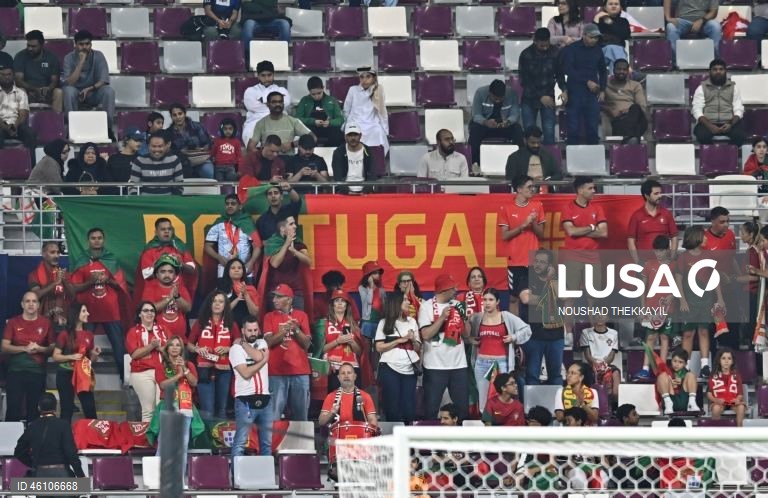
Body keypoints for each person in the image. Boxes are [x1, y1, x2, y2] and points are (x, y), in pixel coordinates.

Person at [69, 228, 130, 383]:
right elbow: (74, 288)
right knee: (84, 349)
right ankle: (83, 381)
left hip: (111, 312)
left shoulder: (111, 259)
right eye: (93, 238)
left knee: (120, 349)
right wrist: (92, 281)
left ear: (104, 240)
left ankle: (127, 381)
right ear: (88, 240)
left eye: (99, 238)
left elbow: (121, 285)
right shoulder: (82, 260)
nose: (96, 240)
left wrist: (107, 280)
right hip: (88, 313)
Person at [147, 335, 203, 483]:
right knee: (164, 444)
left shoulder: (189, 365)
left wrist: (184, 369)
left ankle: (178, 480)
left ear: (181, 349)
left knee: (182, 446)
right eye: (171, 345)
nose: (175, 348)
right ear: (167, 348)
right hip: (168, 407)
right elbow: (163, 385)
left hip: (185, 408)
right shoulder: (161, 366)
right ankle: (155, 480)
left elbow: (194, 382)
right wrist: (177, 375)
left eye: (178, 345)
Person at [468, 288, 532, 412]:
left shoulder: (506, 316)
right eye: (485, 300)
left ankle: (502, 425)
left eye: (491, 300)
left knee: (503, 397)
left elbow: (527, 330)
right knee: (483, 399)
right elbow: (465, 334)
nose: (487, 303)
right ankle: (485, 424)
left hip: (501, 363)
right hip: (481, 364)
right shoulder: (477, 318)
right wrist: (470, 339)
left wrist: (513, 337)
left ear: (497, 301)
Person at [418, 274, 471, 421]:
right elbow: (426, 335)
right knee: (431, 409)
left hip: (458, 365)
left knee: (462, 410)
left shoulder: (458, 304)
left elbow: (466, 335)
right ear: (443, 290)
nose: (456, 290)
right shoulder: (426, 307)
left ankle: (461, 442)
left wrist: (464, 318)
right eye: (452, 288)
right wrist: (442, 318)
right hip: (435, 366)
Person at [676, 226, 724, 378]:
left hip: (706, 299)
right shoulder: (683, 257)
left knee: (704, 331)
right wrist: (682, 300)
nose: (706, 239)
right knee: (688, 333)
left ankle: (705, 366)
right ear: (695, 238)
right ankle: (686, 367)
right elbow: (678, 281)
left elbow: (714, 278)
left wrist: (720, 298)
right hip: (689, 300)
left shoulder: (708, 256)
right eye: (703, 237)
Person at [187, 290, 241, 419]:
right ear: (209, 304)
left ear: (225, 305)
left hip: (224, 369)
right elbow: (189, 344)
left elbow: (239, 343)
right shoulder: (201, 322)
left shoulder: (231, 323)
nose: (217, 304)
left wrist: (229, 348)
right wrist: (198, 349)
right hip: (204, 368)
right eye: (214, 301)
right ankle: (207, 438)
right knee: (208, 409)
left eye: (221, 301)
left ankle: (220, 438)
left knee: (222, 408)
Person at [561, 176, 608, 324]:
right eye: (590, 188)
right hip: (572, 258)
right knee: (570, 298)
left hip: (593, 259)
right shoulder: (567, 208)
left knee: (594, 298)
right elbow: (571, 232)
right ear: (580, 190)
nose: (594, 191)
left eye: (594, 188)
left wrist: (580, 230)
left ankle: (595, 332)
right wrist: (591, 227)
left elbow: (604, 233)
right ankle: (567, 333)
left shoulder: (597, 208)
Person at [1, 291, 54, 422]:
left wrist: (39, 348)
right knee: (13, 409)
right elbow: (4, 346)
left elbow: (53, 347)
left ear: (38, 305)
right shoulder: (13, 322)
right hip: (15, 371)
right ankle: (11, 442)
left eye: (34, 301)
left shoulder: (46, 323)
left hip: (37, 372)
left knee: (34, 411)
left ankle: (33, 441)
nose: (31, 304)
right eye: (27, 301)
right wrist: (24, 348)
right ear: (22, 304)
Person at [498, 175, 546, 317]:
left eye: (533, 187)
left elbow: (542, 234)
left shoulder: (537, 207)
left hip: (533, 261)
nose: (533, 189)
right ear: (519, 189)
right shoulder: (506, 209)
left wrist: (533, 223)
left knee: (535, 296)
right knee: (514, 298)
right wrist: (523, 225)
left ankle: (536, 329)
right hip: (515, 261)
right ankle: (516, 333)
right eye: (529, 187)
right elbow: (505, 236)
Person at [263, 284, 312, 421]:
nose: (274, 300)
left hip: (300, 371)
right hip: (276, 372)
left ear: (289, 300)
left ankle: (302, 443)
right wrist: (283, 331)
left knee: (301, 415)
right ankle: (274, 443)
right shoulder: (269, 317)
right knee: (274, 415)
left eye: (279, 297)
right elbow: (268, 342)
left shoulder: (301, 316)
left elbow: (306, 344)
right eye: (274, 297)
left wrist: (296, 330)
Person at [14, 393, 85, 481]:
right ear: (55, 408)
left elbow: (18, 451)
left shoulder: (32, 426)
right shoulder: (64, 425)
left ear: (39, 408)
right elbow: (71, 453)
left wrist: (33, 463)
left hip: (40, 474)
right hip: (62, 474)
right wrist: (80, 475)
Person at [557, 24, 607, 145]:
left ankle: (594, 160)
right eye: (592, 37)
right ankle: (572, 160)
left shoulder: (598, 50)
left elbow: (603, 70)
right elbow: (568, 70)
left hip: (592, 93)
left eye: (596, 38)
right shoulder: (572, 49)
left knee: (593, 129)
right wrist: (586, 81)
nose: (594, 40)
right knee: (573, 129)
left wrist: (603, 90)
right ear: (584, 35)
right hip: (575, 92)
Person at [375, 291, 421, 425]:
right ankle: (392, 439)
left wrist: (412, 340)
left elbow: (418, 348)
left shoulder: (412, 321)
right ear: (396, 304)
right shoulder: (384, 322)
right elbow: (379, 347)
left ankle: (409, 441)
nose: (408, 302)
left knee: (409, 408)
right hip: (389, 368)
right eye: (405, 300)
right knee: (392, 407)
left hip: (409, 368)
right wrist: (399, 341)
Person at [230, 315, 273, 457]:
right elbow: (246, 373)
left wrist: (244, 344)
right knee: (241, 441)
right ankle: (237, 477)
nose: (253, 333)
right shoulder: (235, 349)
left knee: (266, 443)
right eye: (249, 330)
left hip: (265, 399)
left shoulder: (261, 342)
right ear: (243, 331)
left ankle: (266, 478)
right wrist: (264, 361)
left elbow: (258, 357)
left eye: (255, 330)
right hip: (245, 400)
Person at [519, 249, 563, 386]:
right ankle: (532, 407)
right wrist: (550, 298)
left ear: (550, 265)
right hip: (533, 335)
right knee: (532, 375)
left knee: (555, 376)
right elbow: (526, 299)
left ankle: (556, 406)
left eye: (542, 262)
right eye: (536, 261)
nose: (537, 265)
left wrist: (550, 280)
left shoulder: (559, 279)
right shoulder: (526, 278)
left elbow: (565, 297)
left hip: (556, 335)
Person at [634, 235, 675, 380]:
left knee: (664, 337)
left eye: (662, 250)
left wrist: (671, 296)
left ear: (667, 250)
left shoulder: (673, 266)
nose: (659, 253)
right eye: (657, 250)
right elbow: (642, 288)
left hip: (667, 308)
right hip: (651, 307)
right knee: (650, 337)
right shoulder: (649, 265)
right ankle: (645, 369)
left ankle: (662, 368)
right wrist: (643, 307)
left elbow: (678, 286)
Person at [62, 30, 115, 141]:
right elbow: (69, 83)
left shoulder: (99, 55)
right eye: (81, 44)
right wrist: (81, 63)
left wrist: (90, 88)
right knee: (68, 91)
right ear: (75, 45)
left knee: (108, 91)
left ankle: (108, 128)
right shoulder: (68, 58)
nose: (85, 47)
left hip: (93, 93)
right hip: (76, 94)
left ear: (91, 44)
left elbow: (104, 80)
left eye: (87, 44)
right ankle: (72, 128)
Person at [52, 303, 99, 421]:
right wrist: (72, 356)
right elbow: (56, 356)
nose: (87, 314)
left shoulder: (89, 335)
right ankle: (64, 438)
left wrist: (94, 355)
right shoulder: (65, 334)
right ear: (76, 314)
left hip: (83, 374)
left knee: (90, 409)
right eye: (84, 311)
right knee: (66, 409)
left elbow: (90, 361)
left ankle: (92, 438)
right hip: (65, 374)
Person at [134, 217, 198, 303]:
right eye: (163, 229)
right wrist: (162, 262)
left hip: (178, 295)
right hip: (155, 295)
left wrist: (181, 264)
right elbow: (146, 274)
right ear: (156, 232)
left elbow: (192, 270)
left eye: (169, 229)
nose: (166, 231)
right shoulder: (149, 250)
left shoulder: (180, 247)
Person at [125, 301, 168, 422]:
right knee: (149, 410)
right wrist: (151, 346)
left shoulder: (163, 330)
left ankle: (161, 439)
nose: (149, 313)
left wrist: (161, 349)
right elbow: (134, 354)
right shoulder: (133, 332)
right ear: (139, 314)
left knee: (163, 407)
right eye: (146, 310)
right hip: (142, 372)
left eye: (152, 310)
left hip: (163, 371)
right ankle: (147, 440)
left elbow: (173, 351)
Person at [518, 28, 559, 145]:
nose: (545, 48)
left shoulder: (556, 52)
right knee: (529, 133)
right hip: (530, 98)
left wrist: (564, 90)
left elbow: (560, 74)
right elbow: (524, 81)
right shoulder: (526, 54)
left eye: (547, 45)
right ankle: (529, 161)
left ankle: (548, 161)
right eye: (542, 46)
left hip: (549, 97)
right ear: (535, 41)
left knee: (549, 132)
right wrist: (541, 96)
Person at [469, 79, 523, 168]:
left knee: (517, 129)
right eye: (495, 98)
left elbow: (515, 114)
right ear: (489, 93)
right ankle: (476, 165)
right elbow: (476, 115)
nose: (498, 101)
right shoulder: (480, 92)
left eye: (500, 98)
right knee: (474, 130)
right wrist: (485, 122)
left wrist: (508, 122)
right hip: (485, 125)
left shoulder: (512, 93)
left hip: (504, 125)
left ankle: (520, 164)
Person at [205, 193, 262, 278]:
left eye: (233, 204)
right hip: (224, 268)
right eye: (227, 204)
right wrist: (218, 257)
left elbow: (257, 246)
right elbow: (207, 246)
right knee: (224, 291)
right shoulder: (219, 222)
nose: (230, 206)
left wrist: (251, 262)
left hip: (244, 267)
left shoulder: (247, 223)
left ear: (240, 206)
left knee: (246, 291)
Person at [692, 59, 746, 146]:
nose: (718, 72)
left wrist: (730, 124)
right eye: (715, 69)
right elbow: (696, 110)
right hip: (708, 123)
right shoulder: (701, 88)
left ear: (725, 71)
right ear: (710, 71)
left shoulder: (734, 88)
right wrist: (710, 126)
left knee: (740, 136)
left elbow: (739, 109)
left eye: (721, 69)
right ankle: (713, 155)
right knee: (702, 136)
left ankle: (728, 155)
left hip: (728, 122)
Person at [263, 215, 311, 310]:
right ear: (282, 228)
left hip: (295, 292)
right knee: (277, 322)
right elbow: (274, 263)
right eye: (291, 224)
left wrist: (294, 251)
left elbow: (308, 262)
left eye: (294, 223)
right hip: (276, 292)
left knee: (296, 322)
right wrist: (286, 245)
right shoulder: (272, 243)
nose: (295, 226)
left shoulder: (298, 243)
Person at [320, 290, 363, 392]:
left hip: (352, 367)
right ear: (332, 305)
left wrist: (351, 341)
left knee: (353, 401)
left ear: (346, 305)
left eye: (343, 301)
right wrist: (337, 341)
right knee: (335, 402)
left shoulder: (354, 325)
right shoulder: (324, 323)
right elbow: (320, 350)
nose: (340, 303)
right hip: (333, 368)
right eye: (337, 301)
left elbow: (359, 352)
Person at [627, 179, 678, 265]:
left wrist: (672, 258)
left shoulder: (666, 214)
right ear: (646, 196)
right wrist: (638, 262)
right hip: (644, 263)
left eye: (660, 193)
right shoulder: (636, 216)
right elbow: (631, 241)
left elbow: (674, 237)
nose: (660, 196)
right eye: (656, 194)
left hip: (664, 263)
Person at [141, 255, 192, 338]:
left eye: (170, 272)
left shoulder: (181, 288)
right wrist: (169, 298)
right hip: (157, 338)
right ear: (157, 274)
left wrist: (177, 297)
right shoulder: (150, 288)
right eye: (163, 271)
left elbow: (188, 309)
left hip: (179, 339)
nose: (167, 274)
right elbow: (149, 309)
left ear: (175, 275)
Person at [247, 91, 313, 156]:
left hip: (288, 161)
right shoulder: (261, 123)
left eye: (280, 102)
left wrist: (292, 144)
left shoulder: (293, 121)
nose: (278, 104)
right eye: (274, 102)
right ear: (268, 104)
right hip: (269, 162)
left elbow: (313, 138)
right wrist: (263, 155)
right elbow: (250, 147)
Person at [13, 30, 63, 112]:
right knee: (20, 91)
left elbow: (55, 81)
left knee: (58, 92)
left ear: (42, 45)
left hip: (47, 93)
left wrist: (47, 89)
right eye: (28, 45)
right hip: (28, 92)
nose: (30, 48)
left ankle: (55, 122)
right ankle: (22, 123)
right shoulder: (20, 56)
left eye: (33, 46)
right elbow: (18, 80)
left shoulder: (52, 57)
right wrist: (35, 90)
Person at [343, 67, 389, 154]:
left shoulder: (378, 90)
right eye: (362, 77)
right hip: (355, 123)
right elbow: (346, 109)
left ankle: (376, 160)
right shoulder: (353, 90)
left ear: (373, 78)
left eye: (368, 77)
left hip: (372, 124)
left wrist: (385, 130)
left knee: (378, 131)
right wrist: (346, 125)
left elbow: (382, 112)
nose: (364, 80)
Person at [242, 60, 291, 142]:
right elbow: (252, 106)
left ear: (273, 75)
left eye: (269, 75)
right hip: (256, 122)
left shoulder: (282, 90)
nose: (267, 78)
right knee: (249, 134)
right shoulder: (250, 91)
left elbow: (286, 103)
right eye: (263, 75)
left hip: (279, 120)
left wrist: (263, 104)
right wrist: (275, 106)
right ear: (258, 76)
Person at [603, 59, 648, 144]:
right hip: (619, 121)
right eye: (618, 69)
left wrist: (628, 111)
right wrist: (609, 110)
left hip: (637, 119)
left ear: (628, 71)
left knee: (635, 108)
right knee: (633, 136)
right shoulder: (605, 85)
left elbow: (642, 107)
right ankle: (632, 138)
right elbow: (596, 104)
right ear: (613, 70)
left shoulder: (635, 85)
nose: (621, 72)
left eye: (624, 70)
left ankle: (629, 136)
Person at [579, 314, 620, 408]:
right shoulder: (586, 332)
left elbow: (612, 354)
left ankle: (613, 406)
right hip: (590, 364)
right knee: (585, 373)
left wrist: (604, 365)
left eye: (603, 314)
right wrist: (594, 363)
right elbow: (587, 354)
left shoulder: (613, 333)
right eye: (597, 314)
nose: (600, 317)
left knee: (615, 373)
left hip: (607, 363)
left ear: (608, 317)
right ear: (593, 317)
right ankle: (587, 405)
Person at [28, 241, 72, 326]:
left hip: (62, 319)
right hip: (42, 319)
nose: (56, 256)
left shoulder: (63, 273)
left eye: (58, 253)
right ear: (43, 254)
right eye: (52, 252)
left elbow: (73, 295)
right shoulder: (34, 275)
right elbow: (35, 295)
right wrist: (55, 283)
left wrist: (64, 281)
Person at [295, 76, 344, 147]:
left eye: (319, 93)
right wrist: (313, 122)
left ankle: (328, 151)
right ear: (309, 91)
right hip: (311, 128)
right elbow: (297, 119)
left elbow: (340, 119)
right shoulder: (304, 100)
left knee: (337, 134)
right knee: (306, 135)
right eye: (313, 94)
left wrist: (330, 123)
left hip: (328, 128)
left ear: (323, 88)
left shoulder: (332, 100)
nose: (316, 96)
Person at [169, 103, 214, 179]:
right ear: (171, 117)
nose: (178, 117)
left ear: (184, 114)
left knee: (208, 173)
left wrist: (203, 148)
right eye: (174, 115)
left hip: (201, 160)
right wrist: (180, 151)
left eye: (180, 114)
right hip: (182, 162)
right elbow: (171, 151)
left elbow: (208, 143)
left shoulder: (198, 126)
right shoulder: (169, 132)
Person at [0, 58, 35, 152]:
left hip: (17, 124)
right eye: (3, 75)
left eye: (9, 74)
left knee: (30, 134)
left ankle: (31, 164)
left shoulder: (21, 93)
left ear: (13, 76)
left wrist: (14, 126)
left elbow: (23, 114)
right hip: (1, 125)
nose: (6, 77)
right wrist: (6, 127)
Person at [332, 122, 376, 194]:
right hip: (344, 192)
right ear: (345, 136)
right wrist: (348, 192)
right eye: (350, 135)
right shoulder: (338, 152)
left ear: (360, 135)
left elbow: (372, 174)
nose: (353, 138)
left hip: (365, 192)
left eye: (355, 135)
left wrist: (365, 191)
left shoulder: (368, 151)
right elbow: (338, 176)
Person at [707, 347, 745, 426]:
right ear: (719, 361)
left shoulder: (736, 376)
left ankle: (740, 432)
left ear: (732, 361)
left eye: (729, 358)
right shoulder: (713, 375)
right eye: (723, 358)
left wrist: (737, 399)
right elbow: (709, 393)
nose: (726, 361)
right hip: (719, 402)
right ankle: (718, 434)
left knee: (741, 407)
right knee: (716, 409)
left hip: (733, 402)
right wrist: (715, 400)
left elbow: (740, 393)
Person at [656, 348, 700, 414]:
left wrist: (682, 381)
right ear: (671, 361)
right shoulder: (667, 371)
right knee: (662, 375)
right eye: (675, 361)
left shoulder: (687, 373)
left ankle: (692, 403)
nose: (676, 364)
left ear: (685, 364)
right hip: (670, 399)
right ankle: (668, 403)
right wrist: (669, 383)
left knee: (691, 375)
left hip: (684, 401)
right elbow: (659, 388)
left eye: (680, 362)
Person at [594, 0, 631, 76]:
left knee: (613, 57)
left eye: (616, 4)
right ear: (605, 7)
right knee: (612, 48)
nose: (613, 6)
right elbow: (592, 36)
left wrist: (609, 22)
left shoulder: (623, 21)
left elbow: (625, 35)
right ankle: (628, 70)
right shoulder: (599, 20)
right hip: (600, 55)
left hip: (616, 53)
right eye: (610, 4)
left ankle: (613, 83)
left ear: (620, 7)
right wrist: (596, 18)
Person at [220, 258, 261, 326]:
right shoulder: (221, 289)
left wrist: (246, 294)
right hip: (226, 325)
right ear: (227, 271)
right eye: (233, 268)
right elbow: (220, 311)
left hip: (246, 327)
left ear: (243, 271)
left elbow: (254, 313)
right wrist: (238, 298)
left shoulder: (251, 289)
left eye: (239, 268)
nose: (236, 270)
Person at [359, 260, 386, 340]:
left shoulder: (381, 289)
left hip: (379, 321)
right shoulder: (362, 288)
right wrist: (371, 287)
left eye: (378, 273)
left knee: (378, 345)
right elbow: (369, 302)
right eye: (374, 273)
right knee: (367, 346)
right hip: (368, 321)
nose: (378, 275)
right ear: (368, 275)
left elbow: (384, 306)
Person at [212, 117, 242, 182]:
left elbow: (239, 157)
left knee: (231, 182)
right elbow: (212, 153)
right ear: (221, 130)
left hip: (230, 167)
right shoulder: (217, 141)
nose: (228, 131)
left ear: (234, 130)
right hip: (218, 167)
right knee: (219, 184)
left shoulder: (237, 142)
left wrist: (239, 170)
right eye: (225, 129)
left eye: (230, 129)